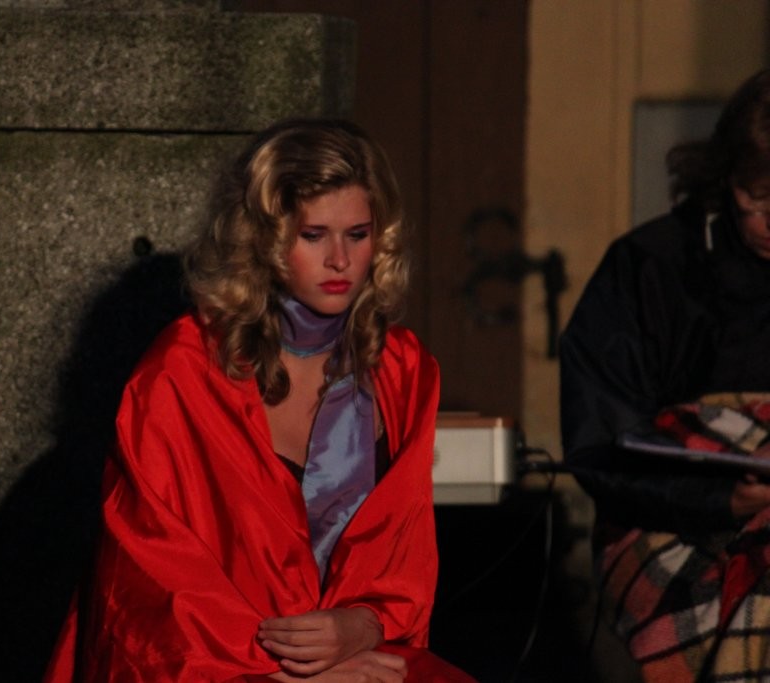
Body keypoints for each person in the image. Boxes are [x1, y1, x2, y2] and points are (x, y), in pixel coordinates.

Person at [41, 119, 474, 682]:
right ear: (265, 239)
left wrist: (362, 625)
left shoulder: (402, 369)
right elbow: (145, 594)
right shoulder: (181, 371)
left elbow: (403, 561)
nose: (340, 260)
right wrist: (285, 678)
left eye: (358, 234)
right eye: (313, 235)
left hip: (359, 658)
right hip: (214, 670)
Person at [561, 68, 770, 681]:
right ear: (728, 178)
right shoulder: (649, 268)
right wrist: (720, 497)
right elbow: (600, 445)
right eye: (760, 200)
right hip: (665, 523)